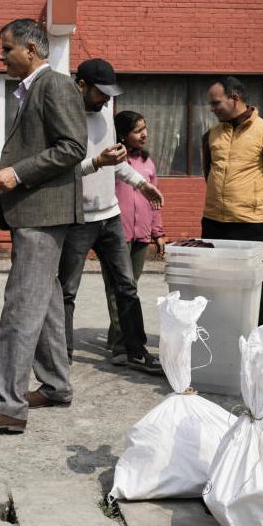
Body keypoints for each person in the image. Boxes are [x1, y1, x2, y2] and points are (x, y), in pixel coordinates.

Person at [0, 18, 87, 434]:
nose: (1, 56)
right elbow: (36, 153)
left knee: (20, 308)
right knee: (44, 304)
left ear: (31, 49)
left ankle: (9, 406)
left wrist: (18, 174)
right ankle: (55, 387)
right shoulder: (31, 90)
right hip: (35, 212)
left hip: (43, 216)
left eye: (7, 49)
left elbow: (73, 147)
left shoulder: (55, 85)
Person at [57, 59, 164, 374]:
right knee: (66, 291)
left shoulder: (105, 114)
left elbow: (116, 161)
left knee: (126, 286)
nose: (106, 99)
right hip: (77, 219)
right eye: (100, 92)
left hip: (110, 217)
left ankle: (134, 351)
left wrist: (142, 185)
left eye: (110, 93)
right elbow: (57, 169)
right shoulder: (63, 117)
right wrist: (95, 162)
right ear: (81, 85)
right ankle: (61, 354)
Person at [201, 76, 263, 326]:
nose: (212, 108)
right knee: (215, 284)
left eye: (216, 103)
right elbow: (209, 174)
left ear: (235, 98)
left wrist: (253, 203)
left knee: (255, 286)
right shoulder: (211, 135)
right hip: (213, 223)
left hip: (249, 226)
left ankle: (255, 339)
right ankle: (221, 334)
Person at [103, 111, 166, 352]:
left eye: (145, 128)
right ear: (122, 135)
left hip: (141, 235)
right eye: (137, 130)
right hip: (115, 233)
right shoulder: (111, 161)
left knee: (130, 287)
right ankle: (121, 342)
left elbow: (155, 201)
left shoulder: (148, 163)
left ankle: (117, 335)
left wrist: (157, 233)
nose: (144, 134)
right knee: (115, 287)